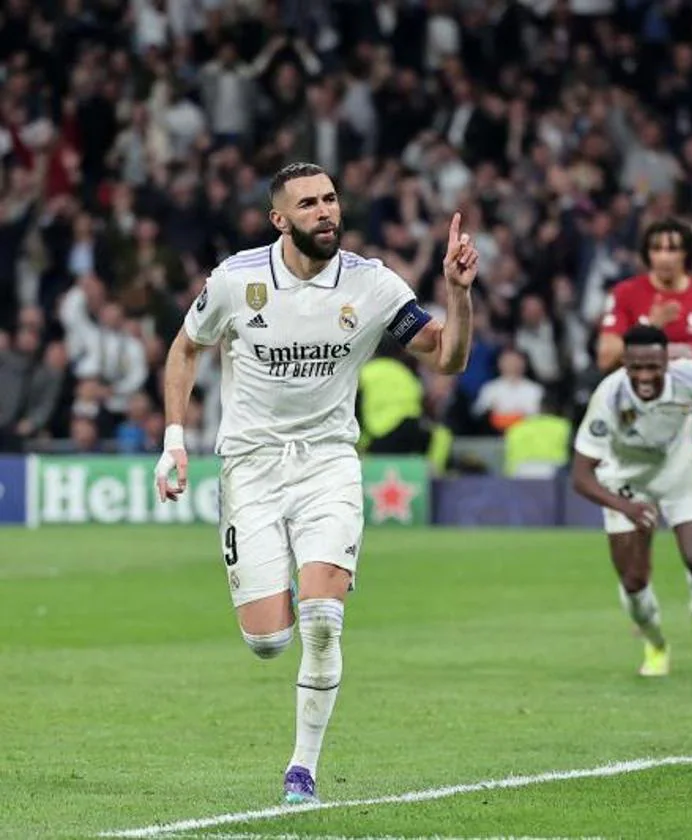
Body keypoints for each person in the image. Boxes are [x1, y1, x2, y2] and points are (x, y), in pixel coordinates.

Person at [152, 162, 478, 801]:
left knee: (325, 621)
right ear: (280, 218)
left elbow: (448, 357)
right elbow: (185, 347)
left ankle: (301, 770)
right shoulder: (237, 281)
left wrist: (458, 293)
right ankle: (296, 597)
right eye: (308, 204)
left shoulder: (372, 284)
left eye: (330, 199)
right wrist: (173, 440)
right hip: (251, 466)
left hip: (329, 462)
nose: (325, 211)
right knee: (270, 641)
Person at [597, 219, 692, 644]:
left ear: (686, 253)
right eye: (657, 248)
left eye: (673, 247)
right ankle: (644, 607)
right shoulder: (628, 296)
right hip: (639, 435)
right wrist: (650, 322)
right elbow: (605, 356)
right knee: (640, 525)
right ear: (648, 254)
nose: (665, 255)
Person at [572, 324, 692, 677]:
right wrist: (626, 507)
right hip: (626, 482)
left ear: (666, 362)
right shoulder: (608, 397)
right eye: (636, 367)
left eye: (653, 366)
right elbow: (580, 477)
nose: (644, 375)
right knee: (634, 580)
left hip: (676, 470)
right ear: (624, 362)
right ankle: (656, 644)